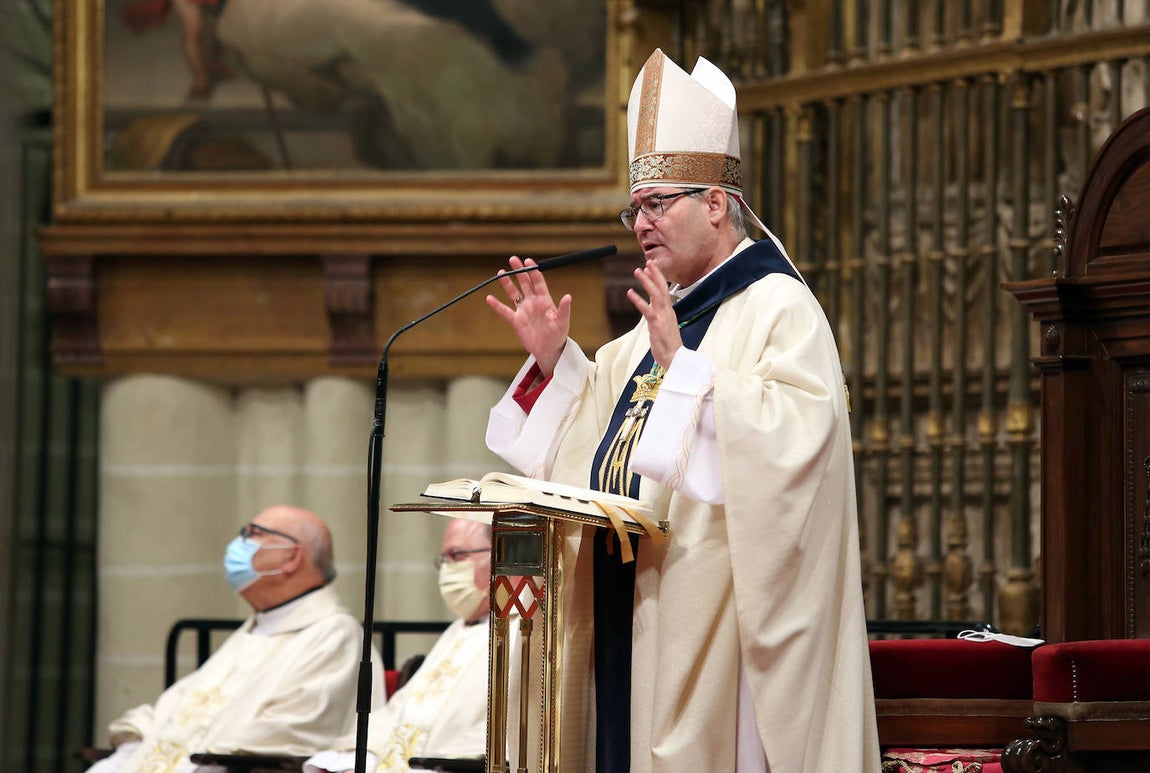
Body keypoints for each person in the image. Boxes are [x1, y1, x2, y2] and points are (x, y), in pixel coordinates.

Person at [483, 48, 881, 772]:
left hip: (718, 616)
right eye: (636, 207)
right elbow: (593, 446)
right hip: (633, 602)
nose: (641, 223)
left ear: (718, 204)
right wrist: (554, 365)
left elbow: (803, 443)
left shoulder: (778, 305)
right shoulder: (646, 331)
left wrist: (689, 374)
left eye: (659, 204)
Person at [89, 505, 376, 773]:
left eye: (254, 535)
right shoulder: (258, 627)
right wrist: (127, 754)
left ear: (292, 557)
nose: (239, 545)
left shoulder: (333, 635)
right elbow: (182, 707)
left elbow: (290, 732)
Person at [303, 517, 495, 773]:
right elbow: (402, 709)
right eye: (444, 559)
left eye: (457, 555)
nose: (448, 568)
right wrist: (361, 758)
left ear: (503, 555)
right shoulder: (458, 629)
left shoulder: (526, 633)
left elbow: (504, 732)